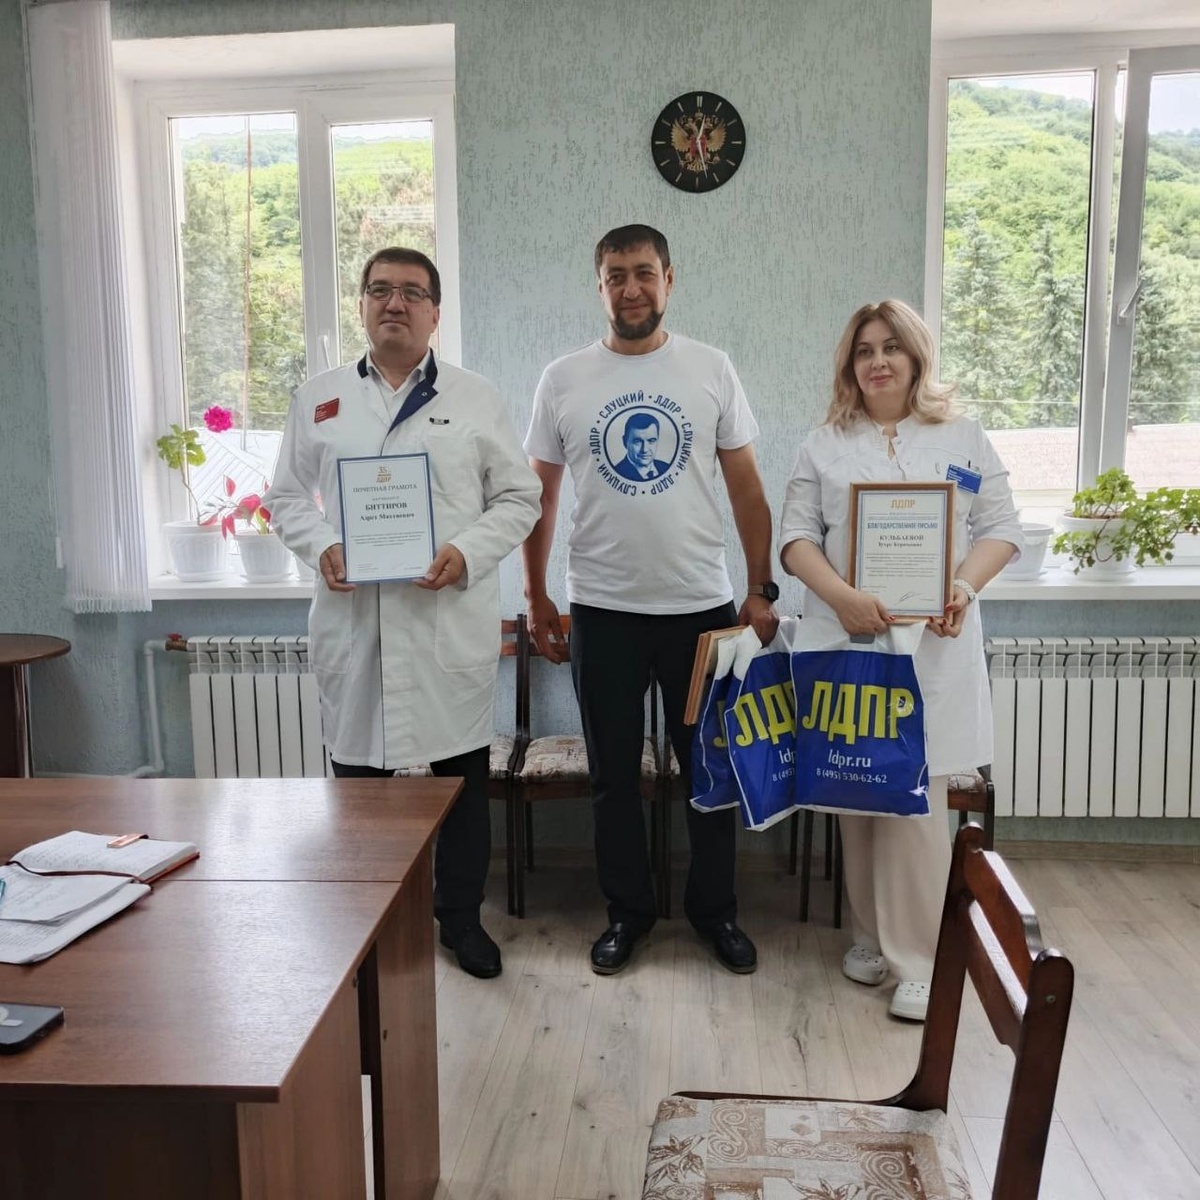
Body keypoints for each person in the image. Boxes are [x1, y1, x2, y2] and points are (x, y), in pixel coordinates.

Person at [265, 247, 541, 980]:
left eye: (412, 292)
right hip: (357, 627)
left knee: (461, 786)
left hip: (443, 619)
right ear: (361, 304)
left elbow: (521, 497)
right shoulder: (320, 399)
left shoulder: (475, 397)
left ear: (435, 313)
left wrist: (466, 550)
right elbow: (284, 496)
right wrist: (323, 544)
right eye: (380, 289)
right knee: (359, 789)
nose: (395, 303)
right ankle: (369, 926)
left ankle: (460, 921)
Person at [521, 223, 779, 976]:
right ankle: (627, 914)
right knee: (613, 781)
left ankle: (715, 913)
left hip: (701, 609)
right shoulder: (562, 379)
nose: (630, 288)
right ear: (599, 286)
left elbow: (747, 489)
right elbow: (539, 497)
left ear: (669, 279)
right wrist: (537, 596)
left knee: (710, 772)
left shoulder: (711, 368)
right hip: (602, 610)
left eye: (643, 272)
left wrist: (759, 588)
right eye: (615, 275)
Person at [779, 299, 1022, 1021]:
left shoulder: (963, 436)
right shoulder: (824, 444)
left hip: (932, 648)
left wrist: (962, 587)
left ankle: (920, 958)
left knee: (915, 803)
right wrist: (843, 599)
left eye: (891, 347)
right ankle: (869, 937)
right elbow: (795, 540)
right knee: (855, 792)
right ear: (849, 365)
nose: (878, 361)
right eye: (864, 351)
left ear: (916, 357)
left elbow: (1001, 527)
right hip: (845, 637)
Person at [614, 412, 673, 480]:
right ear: (625, 442)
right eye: (637, 441)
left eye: (651, 440)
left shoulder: (667, 468)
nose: (644, 449)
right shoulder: (617, 474)